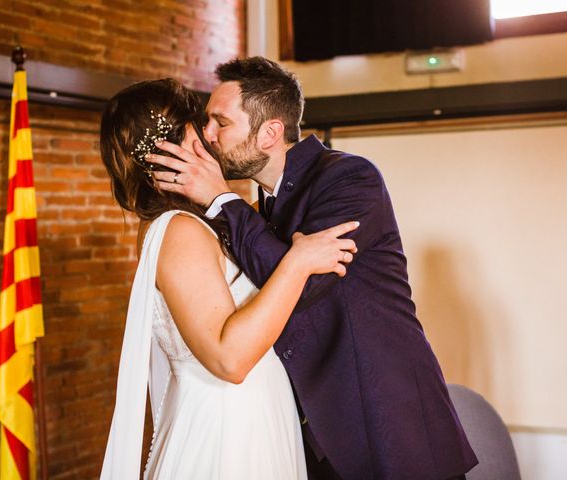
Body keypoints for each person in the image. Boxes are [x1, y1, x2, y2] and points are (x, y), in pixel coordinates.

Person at [148, 57, 479, 479]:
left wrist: (219, 199)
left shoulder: (349, 179)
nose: (208, 136)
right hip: (313, 442)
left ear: (270, 132)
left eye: (220, 123)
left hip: (388, 431)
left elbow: (301, 287)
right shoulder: (257, 209)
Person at [98, 78, 359, 480]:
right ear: (172, 150)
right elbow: (229, 359)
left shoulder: (199, 223)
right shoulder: (179, 231)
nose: (209, 136)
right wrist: (298, 262)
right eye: (199, 127)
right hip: (226, 432)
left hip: (253, 417)